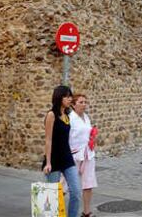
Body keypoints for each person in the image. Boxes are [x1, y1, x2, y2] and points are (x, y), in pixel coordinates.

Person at [42, 85, 81, 217]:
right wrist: (47, 162)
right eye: (67, 96)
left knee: (76, 192)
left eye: (70, 96)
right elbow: (48, 140)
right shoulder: (51, 115)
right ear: (59, 97)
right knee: (52, 196)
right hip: (54, 159)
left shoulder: (68, 115)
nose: (70, 99)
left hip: (67, 157)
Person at [69, 94, 98, 217]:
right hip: (74, 155)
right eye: (80, 102)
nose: (84, 104)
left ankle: (86, 212)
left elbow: (87, 133)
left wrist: (93, 137)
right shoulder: (70, 118)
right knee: (65, 185)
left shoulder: (86, 117)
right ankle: (55, 209)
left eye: (85, 102)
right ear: (73, 105)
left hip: (88, 154)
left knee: (88, 184)